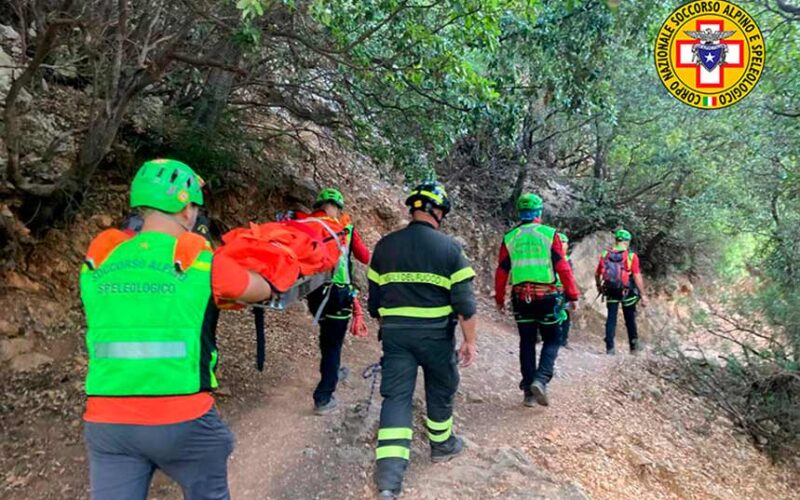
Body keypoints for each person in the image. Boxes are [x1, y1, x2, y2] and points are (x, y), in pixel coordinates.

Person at [80, 159, 273, 500]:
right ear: (186, 209)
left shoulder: (98, 261)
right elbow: (259, 289)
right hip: (183, 420)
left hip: (107, 423)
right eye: (195, 207)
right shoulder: (201, 262)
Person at [368, 181, 478, 499]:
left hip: (396, 337)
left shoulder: (385, 247)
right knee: (441, 389)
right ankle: (442, 445)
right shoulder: (450, 250)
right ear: (437, 211)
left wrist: (394, 327)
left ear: (413, 209)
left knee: (396, 399)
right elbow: (466, 307)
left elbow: (375, 303)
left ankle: (389, 480)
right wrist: (469, 342)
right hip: (436, 338)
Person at [495, 193, 579, 407]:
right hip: (547, 295)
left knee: (527, 342)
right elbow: (563, 267)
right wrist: (572, 295)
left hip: (520, 296)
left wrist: (499, 297)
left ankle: (529, 393)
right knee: (553, 339)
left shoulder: (510, 237)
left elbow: (502, 271)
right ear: (539, 213)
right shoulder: (550, 235)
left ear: (520, 213)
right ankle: (541, 379)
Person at [305, 188, 370, 415]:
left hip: (313, 295)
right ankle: (324, 396)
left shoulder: (306, 225)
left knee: (327, 336)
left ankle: (333, 370)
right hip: (338, 294)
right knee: (333, 343)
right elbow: (364, 256)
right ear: (338, 208)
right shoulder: (345, 228)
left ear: (319, 205)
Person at [595, 228, 648, 355]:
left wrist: (599, 287)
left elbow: (597, 273)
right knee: (630, 319)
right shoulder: (631, 256)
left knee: (611, 318)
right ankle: (634, 348)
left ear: (616, 240)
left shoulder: (605, 255)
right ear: (627, 241)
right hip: (627, 291)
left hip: (611, 289)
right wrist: (643, 294)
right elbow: (636, 276)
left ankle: (610, 348)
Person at [555, 232, 573, 348]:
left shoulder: (549, 257)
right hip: (562, 290)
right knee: (565, 313)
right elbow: (569, 278)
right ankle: (563, 339)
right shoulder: (566, 260)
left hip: (549, 289)